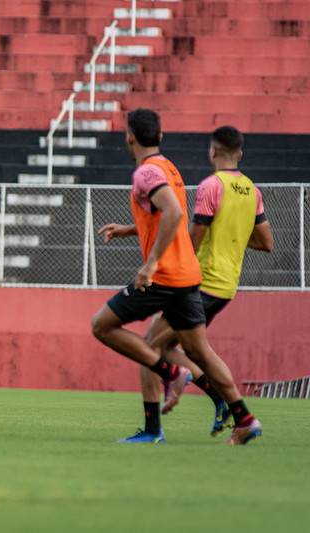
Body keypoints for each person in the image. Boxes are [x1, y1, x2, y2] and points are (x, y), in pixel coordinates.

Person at [91, 110, 262, 445]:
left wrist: (150, 263)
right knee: (201, 352)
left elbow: (174, 212)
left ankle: (170, 382)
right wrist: (129, 230)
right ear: (161, 136)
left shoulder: (145, 173)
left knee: (103, 326)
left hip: (166, 275)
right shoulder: (168, 167)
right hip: (188, 275)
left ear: (129, 137)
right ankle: (245, 418)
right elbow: (167, 217)